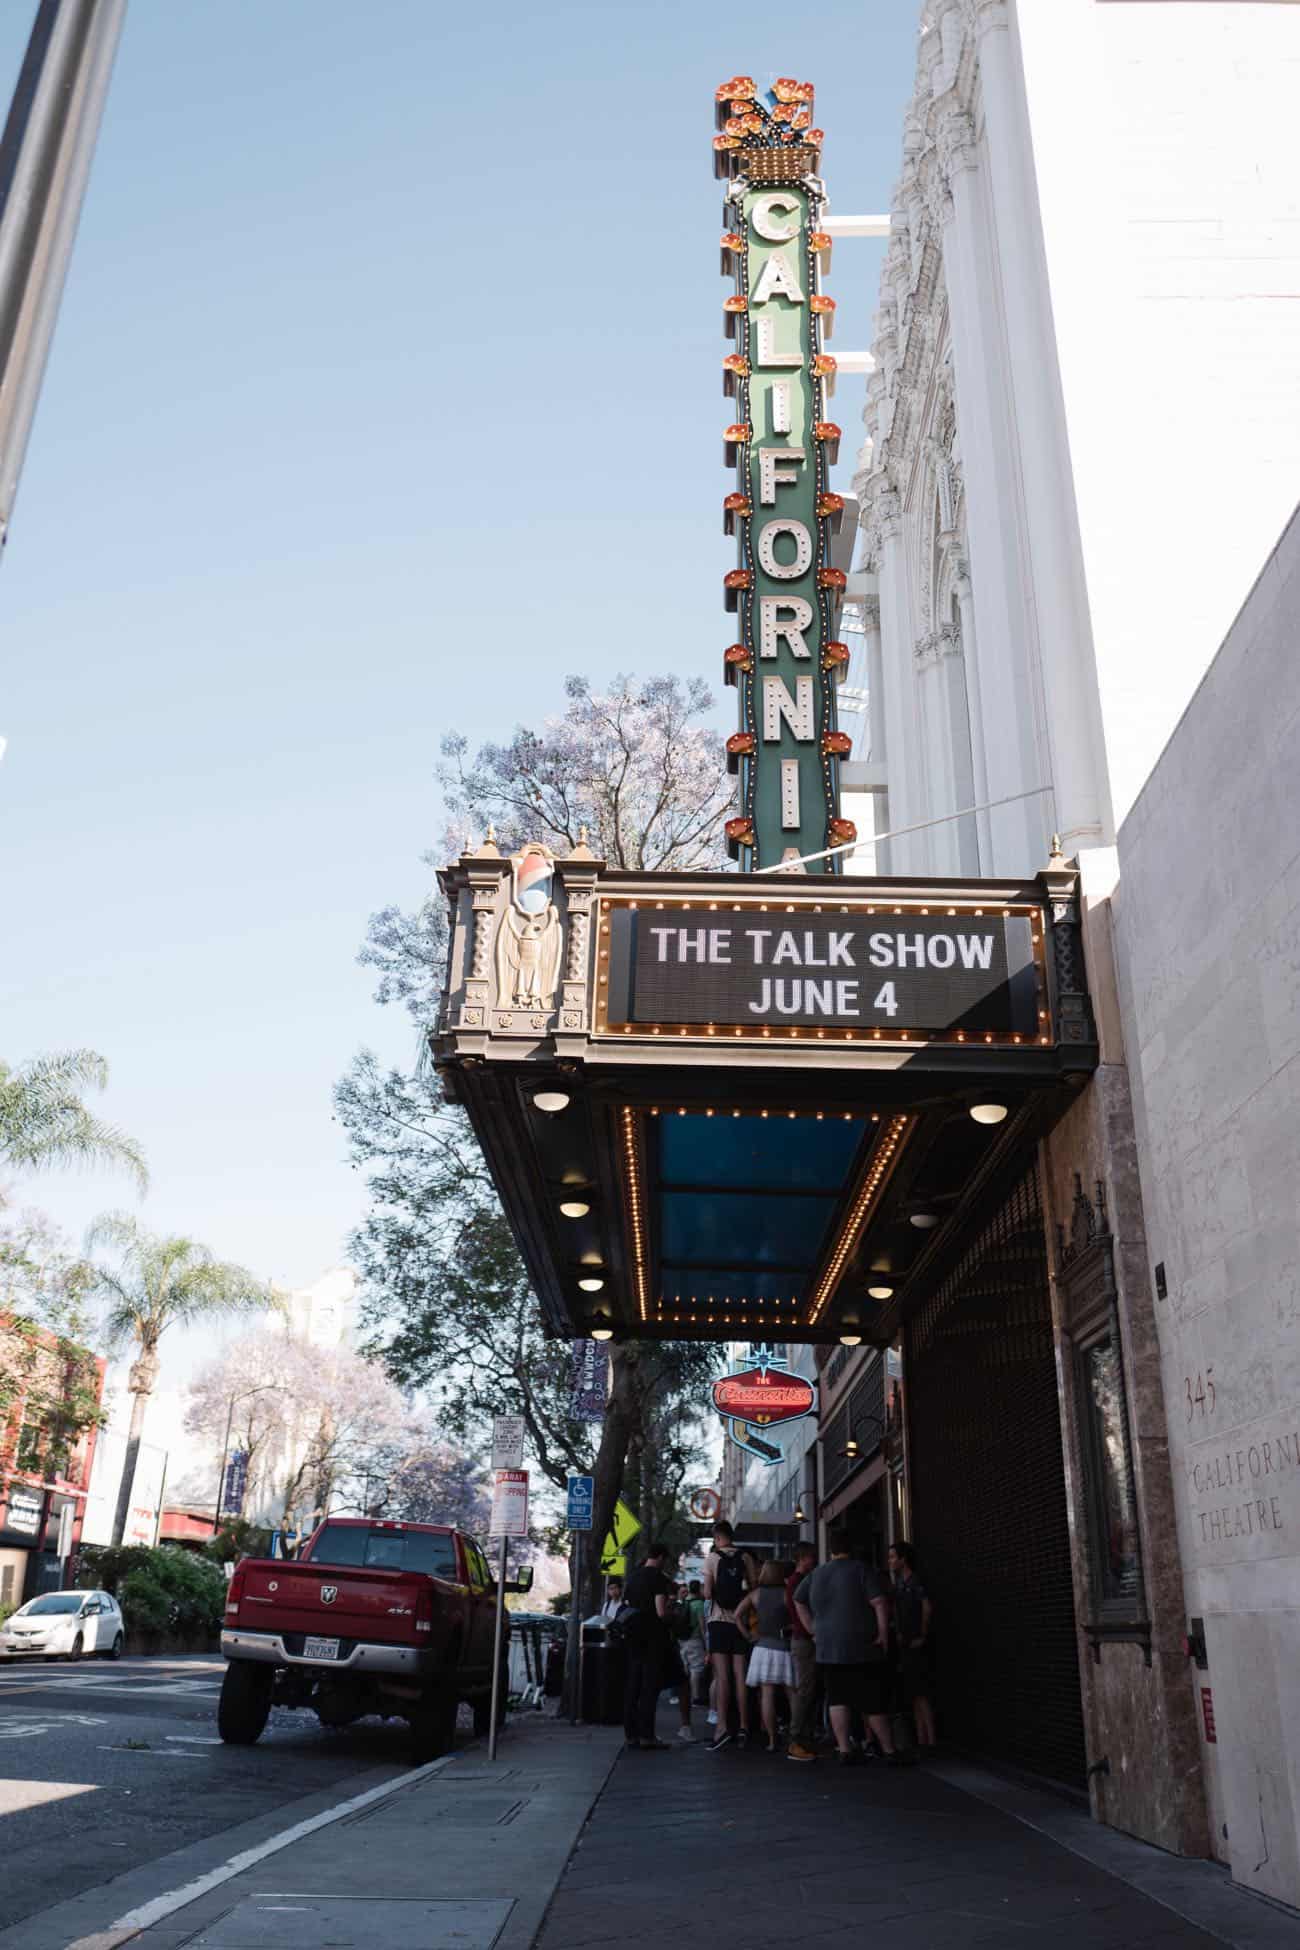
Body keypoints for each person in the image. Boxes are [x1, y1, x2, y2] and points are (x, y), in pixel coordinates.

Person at [794, 1527, 908, 1767]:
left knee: (837, 1698)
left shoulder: (816, 1574)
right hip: (862, 1646)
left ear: (831, 1549)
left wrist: (813, 1629)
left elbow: (798, 1600)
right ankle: (889, 1750)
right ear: (852, 1548)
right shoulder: (862, 1570)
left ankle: (845, 1749)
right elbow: (878, 1603)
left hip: (828, 1647)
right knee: (872, 1700)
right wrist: (883, 1634)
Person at [703, 1519, 758, 1750]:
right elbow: (755, 1588)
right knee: (740, 1675)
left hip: (719, 1621)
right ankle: (745, 1726)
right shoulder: (745, 1557)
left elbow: (707, 1594)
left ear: (717, 1537)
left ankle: (722, 1728)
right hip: (740, 1622)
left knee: (722, 1677)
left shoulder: (712, 1558)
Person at [735, 1561, 795, 1753]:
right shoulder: (787, 1594)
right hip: (784, 1648)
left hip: (762, 1648)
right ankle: (797, 1737)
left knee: (766, 1694)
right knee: (792, 1693)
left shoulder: (755, 1595)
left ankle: (771, 1739)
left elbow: (737, 1615)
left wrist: (748, 1636)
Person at [622, 1544, 673, 1750]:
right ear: (661, 1557)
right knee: (649, 1687)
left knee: (633, 1685)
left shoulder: (633, 1576)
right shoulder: (659, 1578)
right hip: (653, 1637)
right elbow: (661, 1612)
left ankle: (630, 1735)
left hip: (633, 1636)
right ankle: (647, 1736)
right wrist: (672, 1616)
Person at [888, 1539, 936, 1749]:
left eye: (892, 1557)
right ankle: (921, 1738)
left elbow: (927, 1606)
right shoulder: (899, 1582)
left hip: (916, 1642)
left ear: (903, 1559)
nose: (889, 1561)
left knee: (921, 1693)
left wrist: (922, 1634)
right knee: (914, 1693)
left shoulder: (915, 1581)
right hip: (905, 1642)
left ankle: (930, 1740)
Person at [784, 1542, 818, 1763]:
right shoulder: (800, 1582)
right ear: (803, 1558)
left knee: (807, 1689)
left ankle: (802, 1739)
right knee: (805, 1690)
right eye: (811, 1557)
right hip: (805, 1640)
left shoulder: (795, 1582)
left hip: (801, 1640)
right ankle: (796, 1740)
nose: (814, 1560)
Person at [678, 1578, 709, 1712]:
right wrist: (706, 1642)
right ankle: (696, 1697)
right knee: (696, 1669)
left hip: (682, 1640)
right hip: (694, 1640)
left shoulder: (684, 1602)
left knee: (686, 1667)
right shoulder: (699, 1604)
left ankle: (683, 1695)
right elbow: (702, 1625)